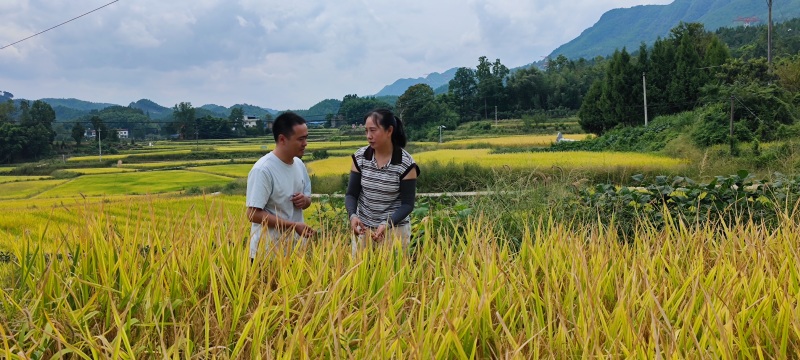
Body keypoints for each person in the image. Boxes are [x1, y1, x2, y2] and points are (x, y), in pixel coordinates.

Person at [345, 108, 420, 253]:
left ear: (389, 131)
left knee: (394, 273)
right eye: (366, 131)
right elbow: (351, 194)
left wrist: (387, 224)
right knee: (360, 273)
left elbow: (407, 204)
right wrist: (353, 216)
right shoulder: (360, 157)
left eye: (373, 130)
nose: (369, 136)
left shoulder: (406, 163)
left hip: (395, 231)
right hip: (364, 230)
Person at [246, 111, 315, 260]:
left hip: (294, 252)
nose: (305, 144)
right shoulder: (263, 170)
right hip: (266, 255)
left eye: (306, 138)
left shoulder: (299, 164)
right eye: (300, 139)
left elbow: (308, 200)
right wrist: (293, 225)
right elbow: (252, 214)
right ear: (282, 139)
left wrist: (305, 200)